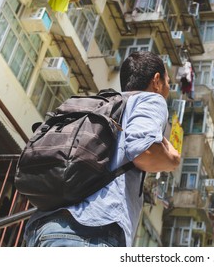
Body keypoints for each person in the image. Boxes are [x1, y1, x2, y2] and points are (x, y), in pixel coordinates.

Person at [24, 51, 181, 247]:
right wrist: (173, 160)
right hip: (91, 232)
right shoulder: (150, 100)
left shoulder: (106, 105)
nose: (167, 89)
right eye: (167, 82)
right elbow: (143, 152)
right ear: (156, 81)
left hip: (44, 228)